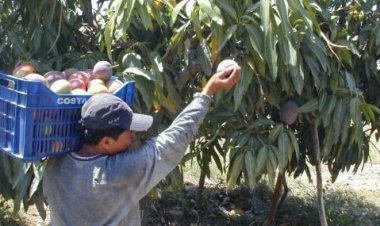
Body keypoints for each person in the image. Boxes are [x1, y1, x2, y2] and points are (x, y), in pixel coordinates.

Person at [43, 64, 242, 226]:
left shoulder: (56, 160)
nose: (133, 135)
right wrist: (208, 91)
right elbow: (174, 139)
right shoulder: (117, 172)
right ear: (106, 142)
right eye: (128, 132)